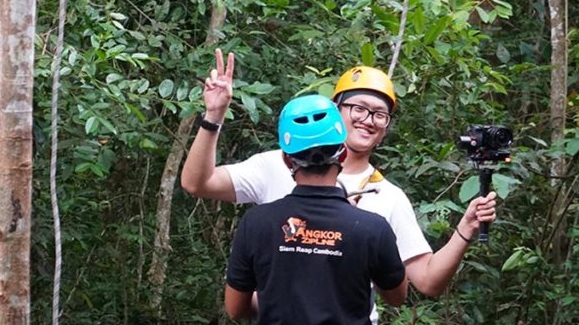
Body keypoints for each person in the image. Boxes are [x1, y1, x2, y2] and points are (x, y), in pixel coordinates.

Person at [182, 49, 497, 299]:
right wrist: (213, 116)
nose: (368, 120)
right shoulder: (278, 164)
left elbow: (427, 281)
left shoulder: (387, 197)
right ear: (335, 109)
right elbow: (198, 183)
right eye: (358, 108)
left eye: (380, 115)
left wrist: (464, 230)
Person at [225, 94, 407, 325]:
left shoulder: (257, 224)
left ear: (287, 159)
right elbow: (397, 295)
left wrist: (280, 293)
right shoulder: (369, 227)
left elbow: (235, 309)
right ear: (342, 153)